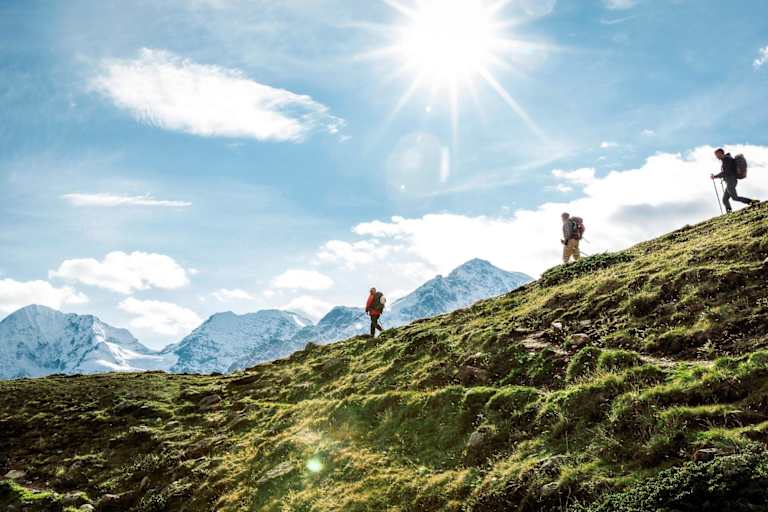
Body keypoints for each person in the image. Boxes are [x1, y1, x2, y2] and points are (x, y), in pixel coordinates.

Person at [711, 148, 759, 213]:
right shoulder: (726, 159)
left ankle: (751, 201)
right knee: (725, 199)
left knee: (734, 198)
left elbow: (726, 172)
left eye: (717, 155)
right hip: (730, 181)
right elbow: (726, 172)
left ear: (720, 153)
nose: (716, 157)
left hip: (731, 181)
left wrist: (715, 176)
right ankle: (729, 212)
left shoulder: (727, 159)